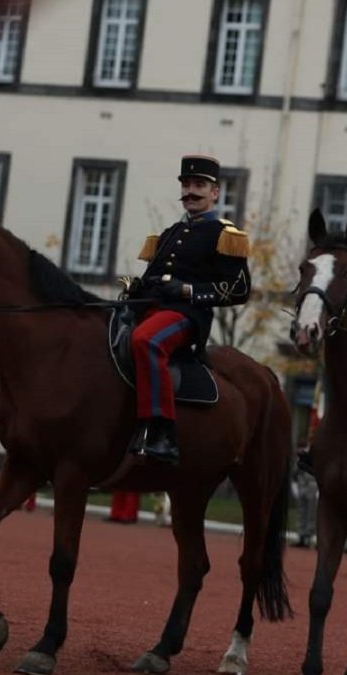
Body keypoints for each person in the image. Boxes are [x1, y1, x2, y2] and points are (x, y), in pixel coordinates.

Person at [127, 154, 251, 464]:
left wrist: (189, 291)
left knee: (147, 341)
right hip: (149, 308)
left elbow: (240, 290)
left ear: (215, 193)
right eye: (186, 185)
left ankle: (162, 432)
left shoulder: (225, 235)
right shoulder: (169, 233)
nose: (191, 191)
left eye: (199, 185)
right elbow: (150, 278)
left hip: (185, 316)